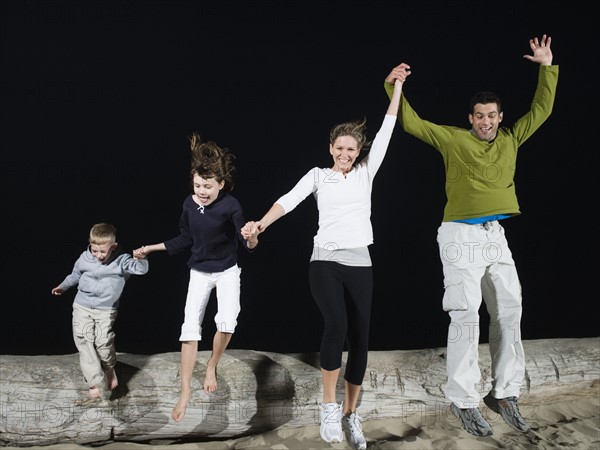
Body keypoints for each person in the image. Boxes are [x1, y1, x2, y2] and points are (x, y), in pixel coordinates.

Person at [383, 34, 558, 436]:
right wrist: (393, 85)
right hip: (459, 235)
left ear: (499, 117)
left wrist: (547, 68)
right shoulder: (453, 139)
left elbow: (543, 109)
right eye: (479, 115)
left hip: (495, 235)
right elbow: (411, 123)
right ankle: (464, 400)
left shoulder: (512, 138)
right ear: (471, 119)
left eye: (491, 115)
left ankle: (505, 393)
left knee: (510, 310)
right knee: (465, 316)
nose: (485, 121)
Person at [241, 64, 410, 449]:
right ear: (331, 149)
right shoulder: (319, 176)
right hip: (325, 261)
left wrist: (395, 87)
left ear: (358, 151)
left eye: (352, 149)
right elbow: (288, 200)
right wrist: (261, 224)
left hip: (360, 262)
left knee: (361, 339)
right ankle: (328, 406)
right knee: (335, 324)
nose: (346, 154)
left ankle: (351, 415)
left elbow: (387, 128)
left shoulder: (367, 172)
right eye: (340, 148)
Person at [133, 133, 258, 423]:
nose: (202, 191)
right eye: (198, 185)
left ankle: (212, 364)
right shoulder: (189, 205)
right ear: (193, 180)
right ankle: (185, 391)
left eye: (208, 187)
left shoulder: (231, 206)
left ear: (221, 185)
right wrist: (151, 248)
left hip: (226, 270)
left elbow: (246, 240)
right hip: (199, 272)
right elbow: (184, 239)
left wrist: (251, 238)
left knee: (227, 321)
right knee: (190, 327)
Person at [51, 222, 149, 399]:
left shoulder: (122, 260)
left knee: (103, 343)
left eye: (103, 251)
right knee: (84, 340)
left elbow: (140, 270)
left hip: (106, 309)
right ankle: (94, 382)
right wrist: (62, 287)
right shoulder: (84, 258)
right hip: (82, 305)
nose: (98, 255)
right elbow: (75, 275)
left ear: (114, 246)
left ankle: (110, 369)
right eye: (94, 250)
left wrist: (141, 257)